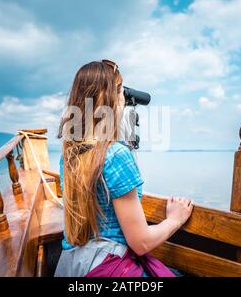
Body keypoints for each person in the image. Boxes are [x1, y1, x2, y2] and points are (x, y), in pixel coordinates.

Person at [54, 59, 194, 277]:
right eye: (120, 91)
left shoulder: (69, 155)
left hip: (72, 266)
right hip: (108, 267)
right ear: (113, 99)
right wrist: (174, 220)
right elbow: (141, 242)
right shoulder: (115, 155)